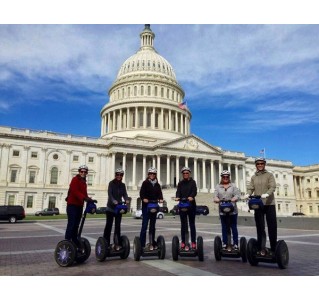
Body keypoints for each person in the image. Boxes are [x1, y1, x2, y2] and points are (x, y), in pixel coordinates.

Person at [245, 157, 277, 256]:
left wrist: (267, 194)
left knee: (272, 226)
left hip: (269, 203)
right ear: (256, 165)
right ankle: (261, 247)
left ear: (264, 164)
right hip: (258, 204)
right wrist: (248, 193)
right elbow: (251, 187)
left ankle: (273, 248)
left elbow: (273, 186)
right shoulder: (254, 177)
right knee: (260, 227)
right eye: (258, 164)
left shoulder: (269, 175)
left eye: (261, 164)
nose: (260, 165)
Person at [103, 168, 130, 250]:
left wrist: (126, 199)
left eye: (121, 175)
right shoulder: (111, 183)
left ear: (122, 176)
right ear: (115, 175)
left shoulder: (123, 185)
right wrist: (113, 200)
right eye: (117, 174)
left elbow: (125, 194)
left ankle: (116, 243)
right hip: (110, 207)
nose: (119, 176)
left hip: (118, 208)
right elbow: (110, 194)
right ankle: (106, 243)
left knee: (118, 226)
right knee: (109, 226)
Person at [65, 164, 91, 249]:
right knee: (71, 224)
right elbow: (75, 191)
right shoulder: (75, 180)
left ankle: (74, 241)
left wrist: (89, 199)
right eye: (81, 171)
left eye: (85, 172)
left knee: (76, 225)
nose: (83, 173)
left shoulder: (84, 183)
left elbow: (84, 194)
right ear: (79, 172)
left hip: (79, 206)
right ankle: (67, 242)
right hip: (72, 205)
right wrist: (84, 198)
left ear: (86, 173)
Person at [213, 170, 241, 250]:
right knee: (224, 227)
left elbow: (237, 194)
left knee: (233, 227)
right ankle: (225, 243)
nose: (225, 178)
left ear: (229, 177)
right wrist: (216, 199)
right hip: (222, 210)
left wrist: (235, 198)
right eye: (224, 177)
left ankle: (235, 243)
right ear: (221, 178)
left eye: (227, 176)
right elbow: (215, 195)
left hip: (233, 210)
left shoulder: (233, 186)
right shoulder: (218, 186)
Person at [139, 167, 163, 250]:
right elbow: (141, 193)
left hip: (154, 205)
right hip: (146, 206)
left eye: (153, 174)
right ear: (148, 175)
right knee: (144, 225)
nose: (152, 175)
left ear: (155, 175)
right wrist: (144, 198)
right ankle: (142, 244)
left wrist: (160, 199)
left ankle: (152, 242)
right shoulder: (145, 183)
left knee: (153, 226)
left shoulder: (157, 184)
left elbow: (160, 193)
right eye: (150, 174)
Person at [175, 166, 197, 250]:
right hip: (182, 205)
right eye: (184, 173)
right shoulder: (180, 183)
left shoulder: (193, 182)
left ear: (189, 174)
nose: (185, 174)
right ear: (182, 174)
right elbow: (178, 191)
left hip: (191, 205)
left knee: (192, 224)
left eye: (187, 173)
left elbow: (194, 191)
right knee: (183, 224)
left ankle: (193, 242)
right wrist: (177, 197)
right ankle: (183, 242)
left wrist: (191, 196)